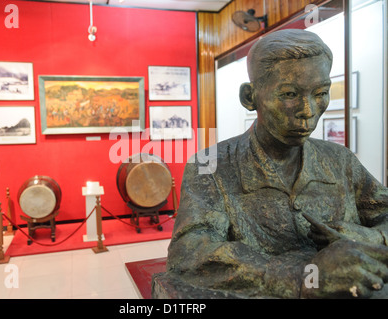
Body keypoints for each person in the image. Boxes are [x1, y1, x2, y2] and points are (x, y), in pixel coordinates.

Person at [159, 29, 388, 299]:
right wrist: (304, 276)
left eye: (320, 93)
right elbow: (189, 251)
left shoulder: (340, 161)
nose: (308, 111)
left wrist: (370, 238)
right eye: (290, 94)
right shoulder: (211, 167)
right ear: (250, 97)